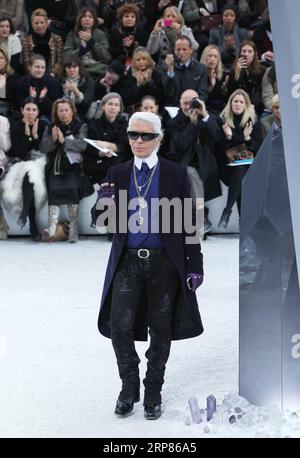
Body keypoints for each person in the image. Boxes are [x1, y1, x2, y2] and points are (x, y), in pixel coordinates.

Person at [93, 111, 204, 420]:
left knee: (161, 330)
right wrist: (103, 203)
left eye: (145, 136)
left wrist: (194, 262)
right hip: (127, 261)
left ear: (159, 139)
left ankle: (153, 389)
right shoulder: (117, 172)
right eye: (133, 135)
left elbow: (190, 223)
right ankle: (129, 388)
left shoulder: (175, 173)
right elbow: (102, 222)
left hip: (164, 264)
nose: (138, 141)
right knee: (120, 327)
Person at [167, 89, 221, 235]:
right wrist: (192, 123)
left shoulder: (208, 117)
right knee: (190, 174)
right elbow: (182, 144)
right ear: (179, 103)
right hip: (183, 163)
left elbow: (216, 137)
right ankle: (200, 217)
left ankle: (199, 217)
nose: (187, 106)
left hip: (205, 163)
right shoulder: (173, 122)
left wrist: (204, 115)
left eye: (191, 102)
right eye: (184, 103)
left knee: (192, 175)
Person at [40, 98, 93, 243]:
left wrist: (64, 141)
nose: (63, 113)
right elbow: (43, 148)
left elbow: (82, 145)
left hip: (74, 169)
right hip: (55, 168)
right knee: (54, 193)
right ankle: (51, 230)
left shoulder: (80, 126)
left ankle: (74, 231)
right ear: (56, 113)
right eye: (60, 110)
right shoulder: (50, 126)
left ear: (72, 111)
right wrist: (53, 139)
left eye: (66, 110)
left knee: (72, 193)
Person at [1, 97, 47, 240]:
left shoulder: (43, 125)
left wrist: (34, 135)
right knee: (28, 173)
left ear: (38, 112)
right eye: (27, 109)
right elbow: (19, 152)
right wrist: (27, 135)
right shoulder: (16, 127)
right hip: (20, 163)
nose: (30, 113)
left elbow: (43, 148)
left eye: (34, 110)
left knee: (31, 173)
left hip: (40, 162)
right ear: (22, 111)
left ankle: (26, 213)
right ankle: (32, 222)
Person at [216, 88, 261, 228]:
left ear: (246, 105)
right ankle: (242, 222)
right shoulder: (222, 121)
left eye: (241, 102)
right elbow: (219, 149)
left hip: (244, 166)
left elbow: (258, 149)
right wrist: (229, 137)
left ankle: (227, 212)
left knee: (241, 169)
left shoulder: (252, 121)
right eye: (235, 101)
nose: (238, 104)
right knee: (242, 169)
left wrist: (247, 138)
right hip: (225, 166)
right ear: (230, 103)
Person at [85, 92, 130, 184]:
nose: (113, 107)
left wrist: (108, 145)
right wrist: (101, 153)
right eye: (110, 104)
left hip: (118, 163)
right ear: (103, 106)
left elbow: (125, 146)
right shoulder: (94, 124)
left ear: (120, 109)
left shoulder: (125, 124)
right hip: (98, 164)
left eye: (116, 105)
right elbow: (90, 147)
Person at [160, 35, 209, 106]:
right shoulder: (165, 67)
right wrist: (170, 71)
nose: (181, 52)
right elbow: (168, 93)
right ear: (174, 50)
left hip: (193, 107)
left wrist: (193, 105)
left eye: (184, 49)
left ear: (191, 50)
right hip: (173, 107)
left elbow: (203, 93)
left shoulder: (201, 68)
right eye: (178, 49)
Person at [64, 7, 111, 79]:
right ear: (79, 19)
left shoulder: (100, 34)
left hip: (97, 70)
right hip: (78, 69)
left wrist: (92, 42)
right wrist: (82, 49)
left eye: (90, 17)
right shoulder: (72, 35)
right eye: (84, 16)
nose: (87, 19)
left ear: (94, 20)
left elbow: (106, 57)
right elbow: (66, 57)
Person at [21, 8, 64, 77]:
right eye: (36, 23)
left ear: (47, 23)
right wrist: (36, 74)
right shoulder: (26, 41)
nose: (39, 26)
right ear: (32, 24)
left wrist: (52, 74)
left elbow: (60, 61)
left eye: (42, 22)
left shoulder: (57, 39)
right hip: (33, 76)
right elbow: (26, 63)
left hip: (53, 76)